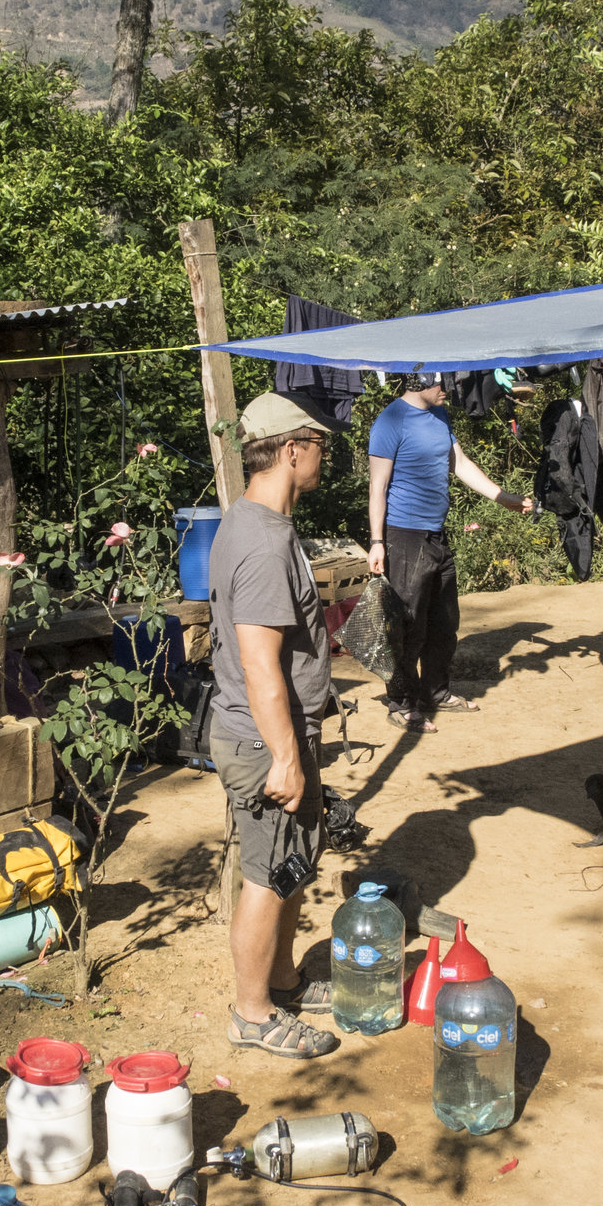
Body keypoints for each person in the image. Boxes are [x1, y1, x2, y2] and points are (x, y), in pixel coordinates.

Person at [209, 392, 344, 1060]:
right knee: (266, 874)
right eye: (320, 445)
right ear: (292, 449)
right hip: (265, 738)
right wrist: (286, 758)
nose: (325, 457)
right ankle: (253, 1012)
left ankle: (283, 978)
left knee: (291, 859)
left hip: (279, 732)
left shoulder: (257, 522)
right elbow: (261, 665)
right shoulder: (263, 543)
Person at [366, 372, 532, 733]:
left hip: (436, 538)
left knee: (444, 624)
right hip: (404, 537)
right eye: (443, 383)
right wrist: (377, 542)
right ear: (419, 380)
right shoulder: (390, 421)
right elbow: (377, 486)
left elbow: (460, 463)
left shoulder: (439, 415)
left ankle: (435, 693)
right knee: (408, 626)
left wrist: (504, 498)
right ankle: (401, 702)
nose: (450, 390)